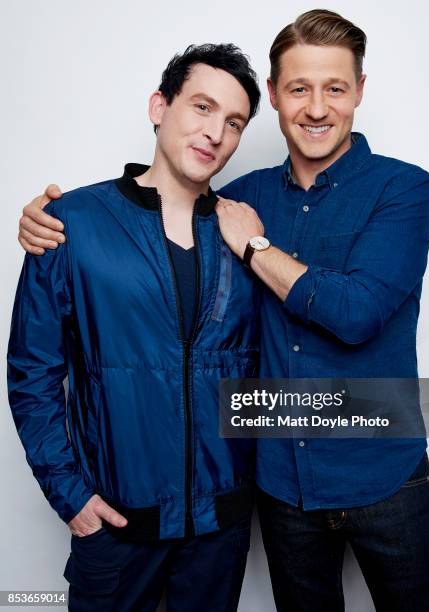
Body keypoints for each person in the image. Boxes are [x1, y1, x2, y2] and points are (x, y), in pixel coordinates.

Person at [16, 9, 429, 612]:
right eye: (299, 88)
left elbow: (357, 313)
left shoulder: (399, 189)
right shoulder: (235, 198)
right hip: (277, 491)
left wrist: (257, 247)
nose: (317, 107)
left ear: (360, 92)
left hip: (383, 475)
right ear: (276, 96)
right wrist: (46, 219)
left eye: (335, 88)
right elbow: (40, 367)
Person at [8, 43, 261, 612]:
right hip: (115, 528)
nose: (215, 132)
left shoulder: (244, 233)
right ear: (159, 107)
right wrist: (71, 497)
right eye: (201, 106)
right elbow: (32, 375)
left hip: (219, 529)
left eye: (234, 122)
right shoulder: (71, 222)